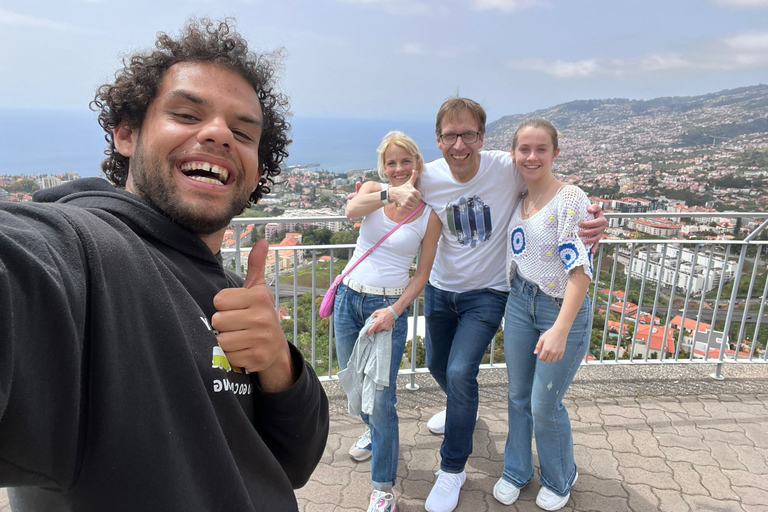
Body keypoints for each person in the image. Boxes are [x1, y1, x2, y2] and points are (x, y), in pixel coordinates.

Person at [0, 18, 329, 512]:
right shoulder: (87, 255)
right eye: (187, 114)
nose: (220, 134)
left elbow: (294, 463)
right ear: (127, 134)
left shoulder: (233, 292)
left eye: (243, 131)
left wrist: (279, 364)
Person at [351, 97, 606, 512]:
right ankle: (460, 412)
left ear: (482, 138)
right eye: (450, 135)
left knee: (460, 371)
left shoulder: (506, 168)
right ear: (437, 140)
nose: (459, 144)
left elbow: (555, 191)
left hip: (488, 294)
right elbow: (359, 207)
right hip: (439, 289)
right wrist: (384, 190)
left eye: (468, 134)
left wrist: (594, 217)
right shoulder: (426, 177)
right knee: (438, 366)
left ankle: (452, 469)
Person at [335, 131, 442, 512]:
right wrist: (387, 194)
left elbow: (422, 275)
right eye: (391, 162)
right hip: (349, 296)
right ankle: (373, 433)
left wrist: (396, 311)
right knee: (351, 380)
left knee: (382, 398)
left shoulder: (429, 215)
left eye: (405, 161)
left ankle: (383, 489)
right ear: (384, 166)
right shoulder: (372, 189)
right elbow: (350, 212)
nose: (398, 169)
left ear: (417, 164)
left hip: (387, 307)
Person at [492, 118, 592, 511]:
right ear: (514, 153)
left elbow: (580, 273)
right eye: (524, 150)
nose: (531, 157)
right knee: (517, 396)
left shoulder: (569, 198)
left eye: (540, 149)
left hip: (558, 306)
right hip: (520, 300)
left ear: (555, 153)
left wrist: (560, 329)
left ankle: (560, 475)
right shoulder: (519, 195)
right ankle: (517, 469)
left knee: (544, 403)